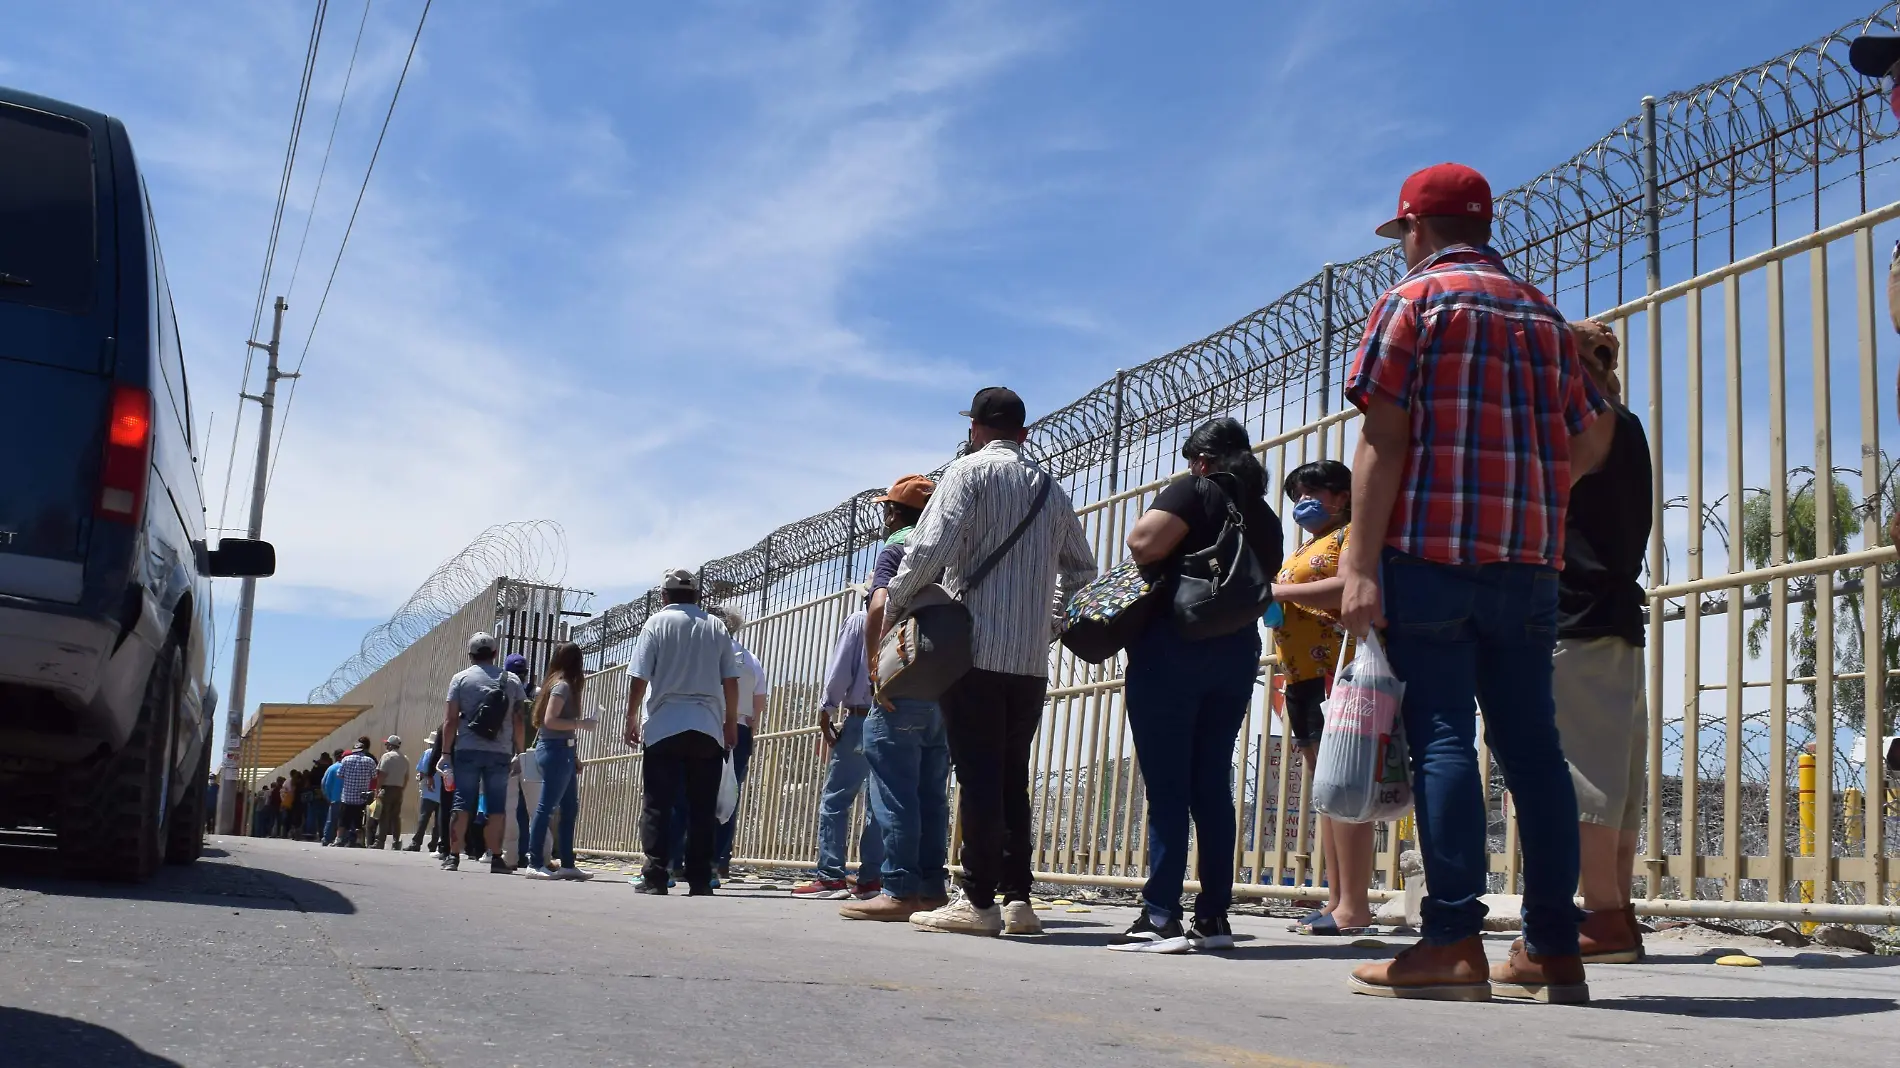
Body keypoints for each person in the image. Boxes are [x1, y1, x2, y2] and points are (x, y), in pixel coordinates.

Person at [1339, 163, 1613, 1003]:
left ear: (1416, 227)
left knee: (1446, 737)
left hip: (1430, 555)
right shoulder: (1540, 312)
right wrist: (1535, 490)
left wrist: (1356, 564)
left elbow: (1384, 439)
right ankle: (1552, 948)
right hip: (1527, 563)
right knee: (1534, 748)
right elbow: (1593, 434)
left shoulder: (1412, 304)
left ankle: (1452, 941)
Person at [886, 387, 1098, 937]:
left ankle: (977, 900)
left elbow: (929, 551)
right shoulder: (1050, 489)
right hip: (1029, 659)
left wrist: (896, 608)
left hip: (972, 649)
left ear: (977, 428)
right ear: (1023, 432)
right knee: (1009, 777)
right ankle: (1017, 900)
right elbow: (1082, 570)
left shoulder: (967, 473)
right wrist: (1049, 620)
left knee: (977, 776)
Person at [1110, 417, 1283, 953]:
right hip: (1234, 654)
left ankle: (1160, 915)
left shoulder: (1197, 488)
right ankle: (1213, 918)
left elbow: (1143, 544)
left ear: (1203, 460)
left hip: (1174, 649)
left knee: (1168, 787)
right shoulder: (1266, 515)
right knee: (1211, 785)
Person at [1549, 319, 1653, 964]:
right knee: (1611, 776)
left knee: (1578, 776)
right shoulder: (1625, 420)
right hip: (1612, 612)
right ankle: (1614, 910)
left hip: (1572, 614)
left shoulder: (1577, 424)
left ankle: (1603, 917)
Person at [1270, 459, 1377, 937]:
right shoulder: (1311, 544)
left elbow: (1348, 587)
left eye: (1313, 491)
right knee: (1328, 793)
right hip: (1303, 675)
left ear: (1343, 495)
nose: (1303, 503)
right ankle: (1336, 901)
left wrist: (1277, 590)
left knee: (1347, 789)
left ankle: (1354, 904)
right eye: (1297, 495)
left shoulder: (1353, 534)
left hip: (1340, 669)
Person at [841, 475, 954, 922]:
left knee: (894, 792)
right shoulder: (949, 550)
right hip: (943, 686)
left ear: (893, 514)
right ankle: (930, 888)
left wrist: (874, 669)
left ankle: (898, 889)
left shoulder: (896, 549)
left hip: (902, 684)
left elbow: (877, 606)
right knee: (932, 794)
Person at [623, 568, 741, 896]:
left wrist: (631, 716)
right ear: (697, 596)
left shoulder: (656, 623)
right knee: (702, 807)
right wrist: (730, 722)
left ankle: (656, 875)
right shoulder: (716, 626)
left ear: (663, 596)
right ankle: (701, 878)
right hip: (706, 727)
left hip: (664, 725)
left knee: (658, 803)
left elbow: (639, 676)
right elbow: (731, 680)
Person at [791, 594, 885, 901]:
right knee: (878, 805)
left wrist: (826, 710)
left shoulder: (860, 620)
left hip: (860, 718)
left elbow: (841, 670)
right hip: (893, 719)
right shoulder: (907, 618)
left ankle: (831, 876)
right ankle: (872, 878)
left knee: (836, 800)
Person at [441, 632, 527, 873]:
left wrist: (446, 753)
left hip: (467, 748)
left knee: (462, 803)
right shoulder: (511, 680)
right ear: (495, 653)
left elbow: (449, 720)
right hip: (499, 751)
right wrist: (519, 751)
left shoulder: (460, 679)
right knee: (496, 806)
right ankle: (497, 858)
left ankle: (453, 856)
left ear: (470, 655)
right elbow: (519, 718)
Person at [521, 642, 594, 881]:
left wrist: (574, 756)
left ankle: (568, 864)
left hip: (562, 752)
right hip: (555, 752)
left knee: (569, 808)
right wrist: (581, 724)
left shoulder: (558, 684)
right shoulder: (562, 686)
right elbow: (551, 721)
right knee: (546, 808)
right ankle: (533, 862)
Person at [335, 739, 378, 848]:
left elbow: (339, 775)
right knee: (359, 822)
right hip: (361, 797)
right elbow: (374, 776)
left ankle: (339, 840)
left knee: (342, 821)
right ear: (363, 750)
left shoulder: (345, 760)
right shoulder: (370, 761)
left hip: (347, 797)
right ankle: (359, 841)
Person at [371, 736, 411, 849]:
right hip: (398, 790)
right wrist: (401, 790)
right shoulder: (405, 758)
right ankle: (396, 842)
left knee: (384, 816)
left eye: (386, 744)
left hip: (387, 789)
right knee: (395, 817)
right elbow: (406, 777)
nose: (386, 746)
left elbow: (382, 775)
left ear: (390, 745)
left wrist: (377, 790)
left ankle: (380, 842)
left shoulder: (387, 757)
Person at [409, 730, 444, 852]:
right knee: (439, 822)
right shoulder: (447, 754)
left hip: (429, 792)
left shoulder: (428, 753)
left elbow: (422, 772)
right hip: (443, 793)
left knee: (424, 818)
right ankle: (434, 845)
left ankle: (416, 843)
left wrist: (420, 778)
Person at [320, 753, 344, 846]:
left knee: (331, 820)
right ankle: (341, 839)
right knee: (343, 821)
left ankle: (326, 838)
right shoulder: (347, 768)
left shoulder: (331, 768)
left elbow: (324, 783)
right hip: (345, 798)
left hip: (334, 798)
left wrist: (327, 796)